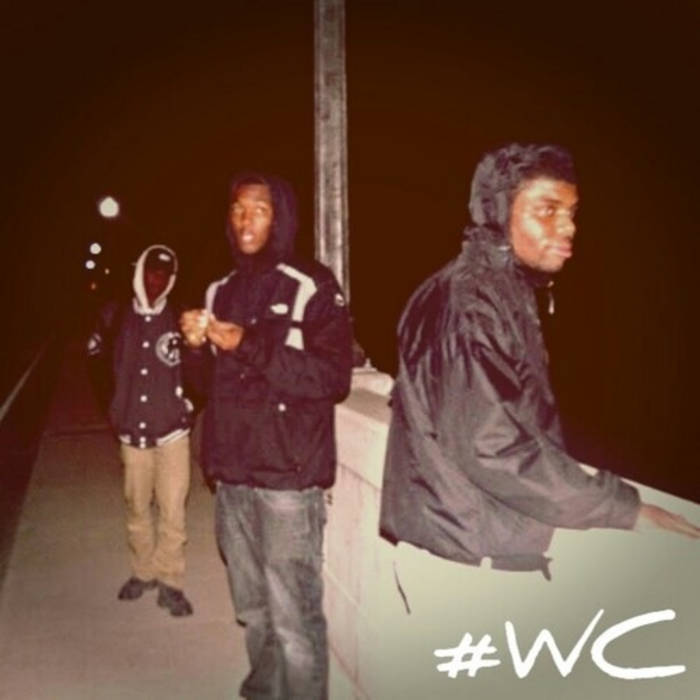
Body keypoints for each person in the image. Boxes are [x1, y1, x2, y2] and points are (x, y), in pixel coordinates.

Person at [379, 143, 699, 580]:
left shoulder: (492, 287)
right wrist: (622, 507)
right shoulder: (470, 302)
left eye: (572, 212)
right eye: (547, 210)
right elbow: (491, 445)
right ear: (498, 212)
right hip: (465, 551)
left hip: (461, 534)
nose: (568, 227)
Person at [180, 172, 353, 699]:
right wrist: (194, 346)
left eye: (259, 208)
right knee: (254, 610)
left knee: (295, 620)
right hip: (232, 479)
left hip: (287, 482)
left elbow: (332, 379)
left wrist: (248, 344)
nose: (245, 219)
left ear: (280, 217)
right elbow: (203, 387)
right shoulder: (220, 290)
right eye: (237, 209)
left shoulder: (312, 284)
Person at [87, 244, 195, 616]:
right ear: (139, 272)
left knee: (173, 509)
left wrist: (189, 403)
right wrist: (114, 409)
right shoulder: (115, 316)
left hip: (173, 432)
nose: (156, 280)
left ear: (172, 279)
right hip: (132, 432)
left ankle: (171, 581)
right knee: (137, 506)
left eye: (164, 274)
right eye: (151, 271)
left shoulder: (181, 316)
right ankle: (143, 572)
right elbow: (96, 366)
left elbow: (201, 368)